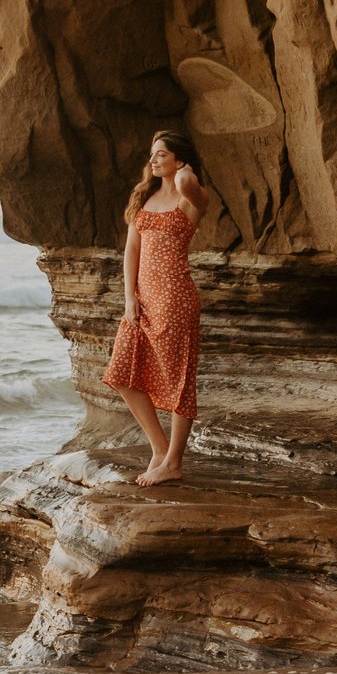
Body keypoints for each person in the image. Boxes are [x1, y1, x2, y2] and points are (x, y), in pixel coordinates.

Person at [104, 128, 208, 486]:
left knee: (179, 380)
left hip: (176, 299)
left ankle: (174, 463)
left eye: (161, 154)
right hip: (143, 300)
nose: (153, 160)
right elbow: (131, 251)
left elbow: (192, 187)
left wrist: (183, 173)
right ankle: (159, 450)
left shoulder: (189, 197)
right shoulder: (144, 198)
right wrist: (129, 297)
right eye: (152, 154)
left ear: (179, 161)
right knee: (121, 374)